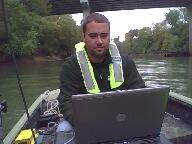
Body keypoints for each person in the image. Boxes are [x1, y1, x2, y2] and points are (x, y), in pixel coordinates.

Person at [57, 13, 145, 126]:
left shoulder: (125, 62)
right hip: (87, 121)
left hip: (120, 118)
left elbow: (140, 92)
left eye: (104, 35)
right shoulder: (71, 66)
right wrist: (84, 123)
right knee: (63, 128)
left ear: (109, 36)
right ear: (84, 37)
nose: (99, 41)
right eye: (93, 36)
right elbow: (66, 102)